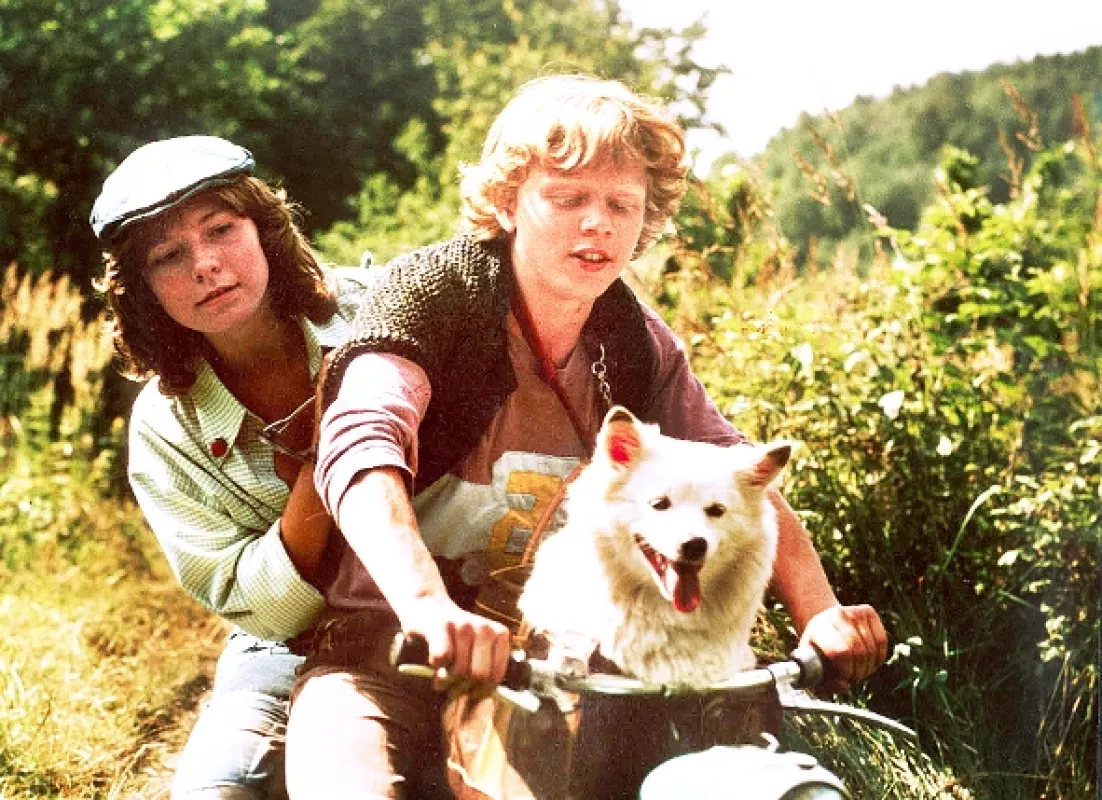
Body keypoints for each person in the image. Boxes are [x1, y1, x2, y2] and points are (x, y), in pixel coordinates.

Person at [284, 74, 889, 798]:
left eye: (620, 205)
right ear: (508, 201)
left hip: (557, 671)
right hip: (383, 653)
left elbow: (735, 472)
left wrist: (820, 613)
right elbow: (361, 442)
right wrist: (427, 607)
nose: (597, 224)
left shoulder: (632, 339)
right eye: (567, 198)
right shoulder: (436, 296)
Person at [91, 135, 374, 799]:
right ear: (141, 290)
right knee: (217, 790)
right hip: (291, 645)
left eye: (222, 230)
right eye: (169, 255)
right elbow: (255, 604)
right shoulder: (164, 429)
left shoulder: (375, 313)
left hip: (447, 599)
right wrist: (322, 461)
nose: (206, 266)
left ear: (267, 230)